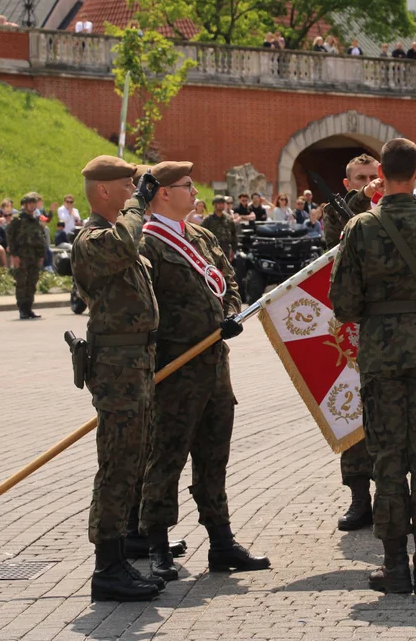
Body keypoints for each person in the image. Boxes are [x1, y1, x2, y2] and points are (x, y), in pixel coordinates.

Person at [329, 139, 416, 595]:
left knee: (387, 458)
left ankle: (394, 568)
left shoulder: (362, 227)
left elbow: (343, 304)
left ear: (380, 175)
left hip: (382, 355)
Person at [137, 161, 270, 581]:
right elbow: (145, 308)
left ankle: (221, 541)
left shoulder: (203, 236)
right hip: (175, 370)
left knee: (214, 457)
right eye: (187, 186)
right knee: (166, 458)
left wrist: (231, 313)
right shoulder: (146, 244)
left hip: (215, 369)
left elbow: (229, 282)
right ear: (162, 193)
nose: (195, 191)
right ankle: (156, 544)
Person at [72, 155, 166, 602]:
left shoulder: (116, 234)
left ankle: (119, 556)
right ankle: (107, 568)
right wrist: (138, 206)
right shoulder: (93, 240)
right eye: (127, 185)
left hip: (137, 362)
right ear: (105, 192)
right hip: (116, 367)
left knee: (132, 462)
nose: (135, 192)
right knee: (116, 467)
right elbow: (127, 244)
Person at [321, 154, 380, 531]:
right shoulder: (337, 211)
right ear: (348, 183)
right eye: (361, 178)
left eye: (375, 177)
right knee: (351, 411)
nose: (370, 183)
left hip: (390, 326)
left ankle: (395, 496)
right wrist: (364, 198)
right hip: (350, 331)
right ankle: (359, 497)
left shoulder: (396, 211)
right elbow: (337, 234)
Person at [5, 192, 48, 320]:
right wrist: (14, 255)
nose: (32, 206)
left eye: (34, 203)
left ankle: (29, 308)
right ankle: (22, 309)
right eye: (30, 203)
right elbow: (10, 237)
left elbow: (41, 238)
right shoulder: (17, 219)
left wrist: (41, 255)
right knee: (22, 282)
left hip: (34, 256)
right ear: (24, 205)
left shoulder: (36, 219)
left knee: (32, 282)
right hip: (22, 255)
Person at [201, 195, 239, 260]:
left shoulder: (229, 218)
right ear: (214, 205)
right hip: (213, 249)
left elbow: (234, 234)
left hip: (226, 249)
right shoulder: (208, 219)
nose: (222, 205)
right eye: (219, 203)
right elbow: (201, 234)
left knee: (226, 269)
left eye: (223, 203)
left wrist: (234, 250)